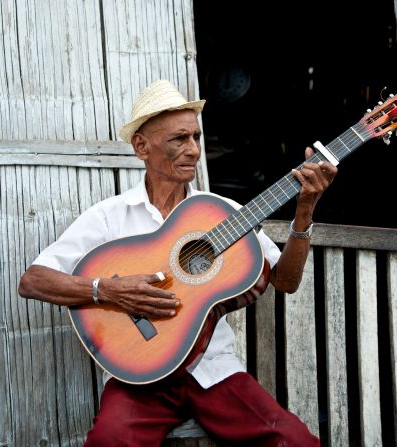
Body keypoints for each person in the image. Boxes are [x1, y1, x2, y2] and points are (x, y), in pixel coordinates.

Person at [18, 79, 337, 446]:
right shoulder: (110, 217)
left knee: (295, 441)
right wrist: (108, 289)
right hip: (141, 376)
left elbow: (286, 280)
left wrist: (304, 212)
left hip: (214, 372)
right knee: (109, 440)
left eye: (196, 138)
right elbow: (33, 280)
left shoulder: (222, 213)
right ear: (141, 146)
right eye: (178, 139)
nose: (193, 150)